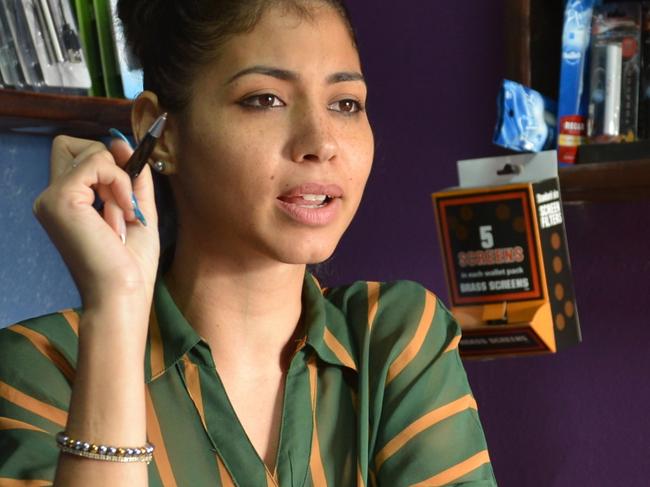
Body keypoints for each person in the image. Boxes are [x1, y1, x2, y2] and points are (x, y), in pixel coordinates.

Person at [0, 1, 497, 486]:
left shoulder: (393, 339)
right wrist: (115, 307)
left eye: (346, 104)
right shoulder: (40, 367)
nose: (321, 142)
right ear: (162, 132)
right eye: (266, 99)